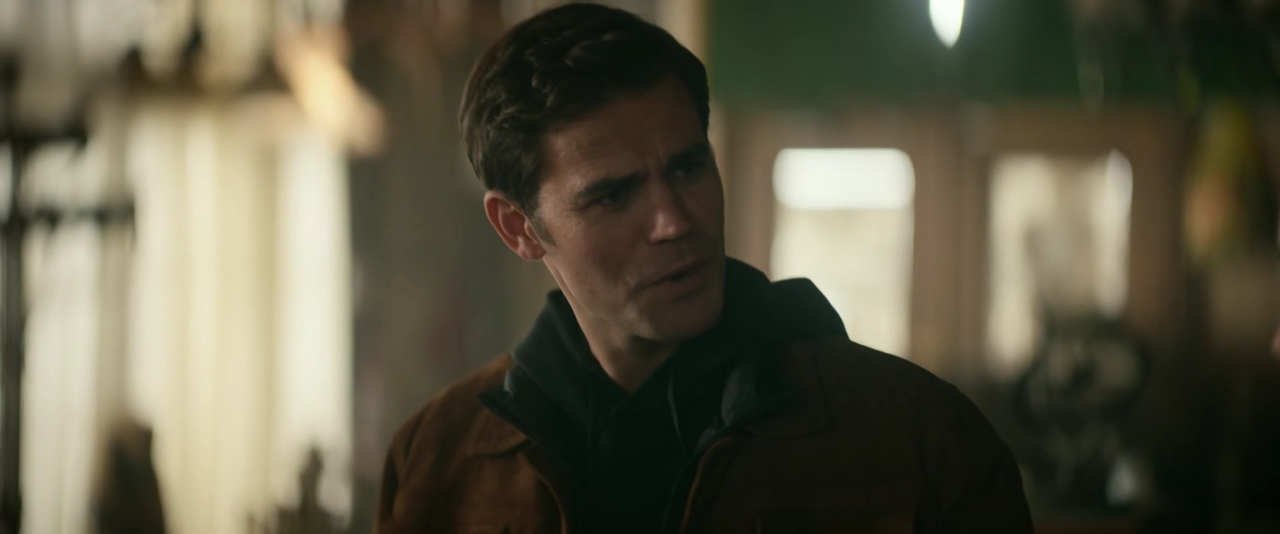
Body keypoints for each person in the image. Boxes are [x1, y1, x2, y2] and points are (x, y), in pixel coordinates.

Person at [373, 4, 1031, 533]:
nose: (674, 221)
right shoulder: (436, 459)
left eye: (688, 168)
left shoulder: (915, 437)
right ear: (518, 227)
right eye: (613, 196)